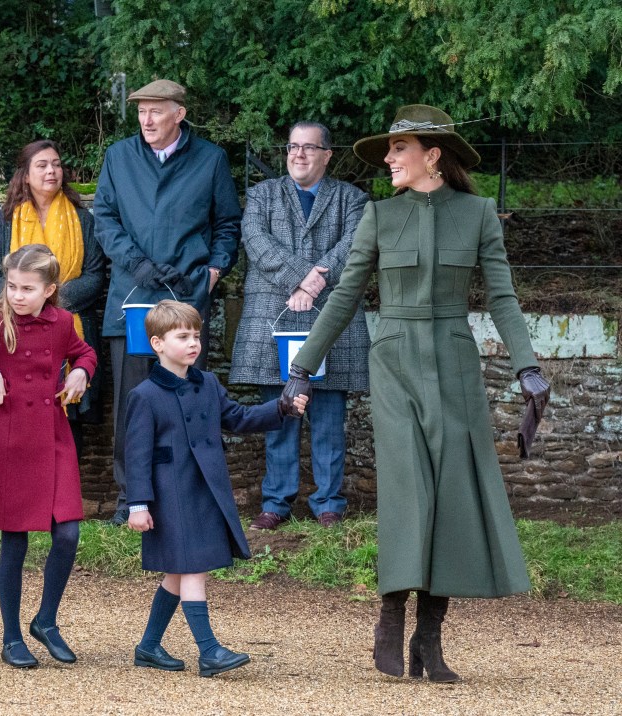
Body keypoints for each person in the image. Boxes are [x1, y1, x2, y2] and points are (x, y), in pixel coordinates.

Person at [281, 105, 551, 682]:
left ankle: (429, 639)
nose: (388, 158)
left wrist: (527, 366)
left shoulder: (478, 215)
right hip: (395, 364)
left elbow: (502, 298)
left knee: (452, 498)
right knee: (409, 493)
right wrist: (303, 366)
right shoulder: (378, 215)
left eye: (398, 149)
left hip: (456, 365)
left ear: (432, 155)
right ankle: (391, 610)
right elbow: (346, 294)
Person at [0, 244, 97, 669]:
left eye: (27, 288)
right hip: (7, 440)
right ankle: (11, 637)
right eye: (11, 286)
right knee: (16, 539)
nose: (17, 296)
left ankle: (45, 620)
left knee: (68, 533)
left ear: (50, 290)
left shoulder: (63, 321)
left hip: (53, 436)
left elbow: (83, 352)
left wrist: (81, 371)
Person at [126, 301, 306, 677]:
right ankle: (209, 652)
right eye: (182, 336)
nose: (194, 343)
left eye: (196, 335)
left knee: (178, 572)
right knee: (193, 568)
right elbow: (136, 455)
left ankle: (148, 647)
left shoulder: (207, 383)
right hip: (168, 494)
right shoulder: (144, 395)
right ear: (157, 343)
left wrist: (282, 407)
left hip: (206, 489)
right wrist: (137, 504)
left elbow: (238, 418)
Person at [94, 78, 241, 525]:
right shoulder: (118, 157)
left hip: (186, 301)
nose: (147, 119)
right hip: (133, 299)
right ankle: (129, 500)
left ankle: (184, 496)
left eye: (156, 110)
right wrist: (134, 262)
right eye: (141, 111)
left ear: (179, 113)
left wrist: (212, 272)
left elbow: (228, 224)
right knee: (133, 403)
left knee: (188, 403)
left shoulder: (211, 159)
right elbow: (104, 217)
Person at [230, 121, 370, 530]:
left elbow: (357, 244)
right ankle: (276, 502)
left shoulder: (353, 199)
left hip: (333, 317)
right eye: (293, 147)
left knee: (328, 417)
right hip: (273, 317)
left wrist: (319, 278)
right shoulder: (261, 195)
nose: (299, 155)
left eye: (310, 148)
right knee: (279, 413)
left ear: (327, 155)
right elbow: (254, 240)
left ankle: (329, 503)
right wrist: (301, 278)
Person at [0, 139, 105, 457]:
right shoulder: (4, 222)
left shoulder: (83, 220)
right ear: (25, 175)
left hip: (69, 333)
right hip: (16, 336)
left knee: (67, 417)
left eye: (57, 164)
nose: (51, 171)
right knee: (19, 415)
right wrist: (26, 306)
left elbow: (95, 276)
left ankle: (62, 502)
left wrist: (48, 304)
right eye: (42, 165)